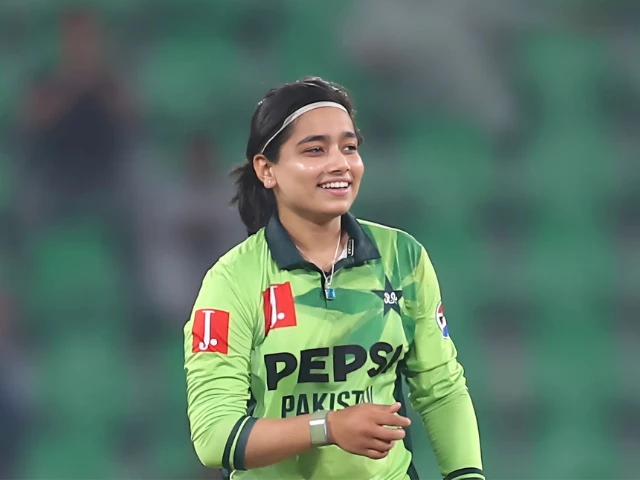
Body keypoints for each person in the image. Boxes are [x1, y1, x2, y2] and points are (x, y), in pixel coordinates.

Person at [183, 77, 484, 480]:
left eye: (349, 147)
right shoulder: (232, 281)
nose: (340, 163)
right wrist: (327, 427)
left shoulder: (403, 257)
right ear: (266, 170)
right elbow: (214, 437)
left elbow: (441, 389)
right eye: (315, 150)